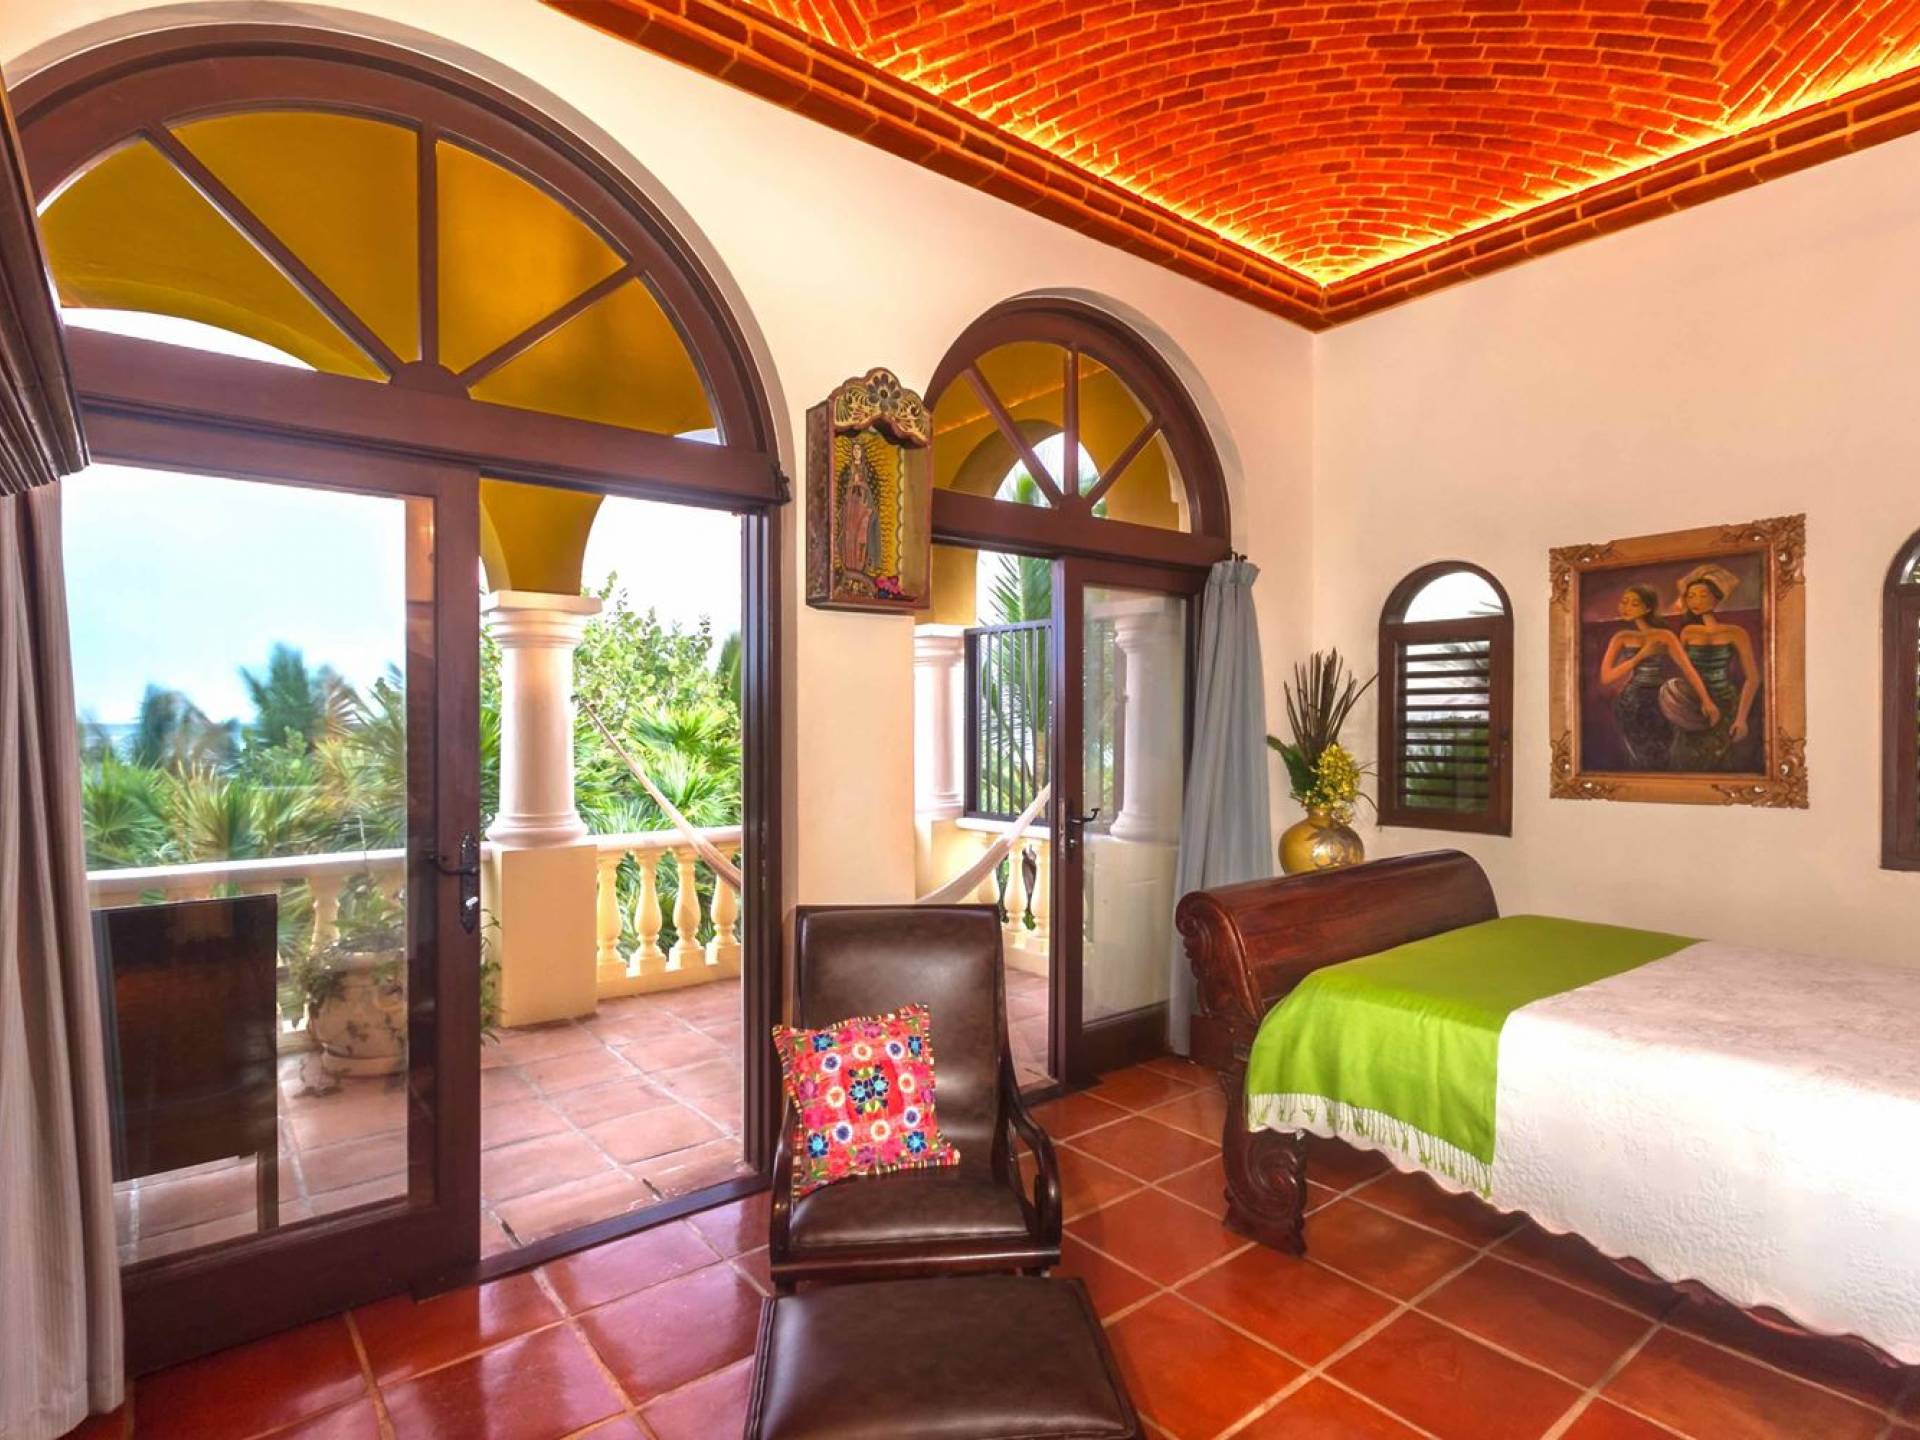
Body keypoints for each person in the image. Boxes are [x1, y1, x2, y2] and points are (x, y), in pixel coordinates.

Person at [1596, 582, 1715, 769]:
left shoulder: (1665, 636)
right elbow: (1606, 677)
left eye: (1634, 603)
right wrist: (1641, 655)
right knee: (1638, 756)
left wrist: (1706, 701)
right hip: (1631, 701)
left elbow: (1689, 670)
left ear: (1647, 608)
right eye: (1624, 602)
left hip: (1659, 701)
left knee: (1663, 753)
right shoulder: (1621, 637)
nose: (1626, 607)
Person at [1663, 569, 1759, 772]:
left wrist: (1741, 719)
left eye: (1703, 595)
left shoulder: (1736, 633)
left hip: (1725, 701)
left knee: (1719, 758)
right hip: (1693, 701)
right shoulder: (1687, 632)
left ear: (1717, 598)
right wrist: (1703, 700)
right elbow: (1687, 670)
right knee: (1686, 757)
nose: (1695, 601)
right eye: (1690, 596)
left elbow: (1752, 678)